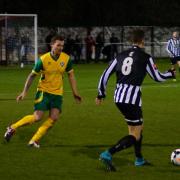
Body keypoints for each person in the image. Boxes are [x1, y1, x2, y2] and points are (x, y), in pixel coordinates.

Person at [96, 29, 175, 171]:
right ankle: (108, 153)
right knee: (135, 134)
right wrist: (170, 74)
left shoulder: (120, 55)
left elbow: (105, 74)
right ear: (142, 41)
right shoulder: (145, 57)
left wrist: (101, 94)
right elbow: (157, 77)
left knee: (137, 128)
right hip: (131, 99)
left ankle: (139, 159)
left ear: (131, 41)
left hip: (118, 97)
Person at [4, 35, 82, 148]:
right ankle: (12, 128)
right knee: (37, 117)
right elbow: (32, 76)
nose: (61, 47)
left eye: (62, 45)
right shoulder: (43, 59)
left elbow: (71, 75)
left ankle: (33, 141)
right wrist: (24, 92)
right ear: (52, 45)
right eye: (58, 45)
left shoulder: (66, 59)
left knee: (54, 117)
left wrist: (75, 92)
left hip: (57, 94)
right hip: (43, 92)